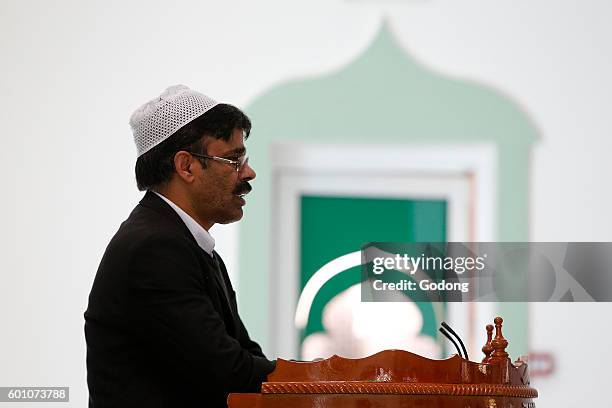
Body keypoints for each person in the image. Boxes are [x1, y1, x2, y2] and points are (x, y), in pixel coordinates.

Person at [84, 85, 275, 408]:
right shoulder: (154, 249)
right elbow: (230, 373)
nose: (249, 172)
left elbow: (246, 355)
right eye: (233, 160)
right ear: (186, 166)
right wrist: (328, 379)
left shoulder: (186, 244)